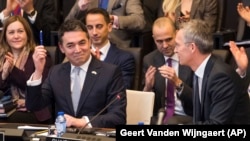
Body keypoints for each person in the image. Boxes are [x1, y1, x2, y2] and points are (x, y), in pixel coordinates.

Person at [25, 19, 127, 128]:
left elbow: (118, 116)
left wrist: (80, 122)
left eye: (82, 43)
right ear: (61, 48)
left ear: (90, 42)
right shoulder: (56, 72)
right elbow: (34, 105)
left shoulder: (110, 72)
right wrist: (38, 71)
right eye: (70, 45)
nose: (77, 50)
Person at [174, 19, 250, 124]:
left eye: (177, 45)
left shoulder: (221, 77)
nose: (175, 50)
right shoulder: (199, 69)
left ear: (192, 47)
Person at [0, 15, 53, 124]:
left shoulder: (39, 55)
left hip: (34, 111)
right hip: (7, 108)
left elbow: (36, 88)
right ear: (5, 37)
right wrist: (4, 74)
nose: (16, 36)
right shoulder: (1, 57)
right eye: (11, 32)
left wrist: (12, 70)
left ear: (27, 34)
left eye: (20, 31)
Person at [142, 17, 193, 125]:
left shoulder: (190, 56)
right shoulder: (150, 60)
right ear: (153, 39)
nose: (164, 45)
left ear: (177, 34)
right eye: (159, 41)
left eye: (169, 39)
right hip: (161, 117)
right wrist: (148, 87)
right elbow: (145, 105)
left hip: (187, 117)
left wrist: (177, 82)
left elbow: (199, 100)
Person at [84, 8, 135, 89]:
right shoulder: (80, 55)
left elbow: (121, 92)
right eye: (90, 27)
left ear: (109, 27)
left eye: (99, 26)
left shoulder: (124, 59)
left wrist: (98, 67)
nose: (94, 32)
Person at [65, 0, 145, 48]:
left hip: (115, 45)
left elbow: (139, 21)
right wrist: (79, 8)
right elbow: (67, 24)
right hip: (87, 45)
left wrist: (114, 19)